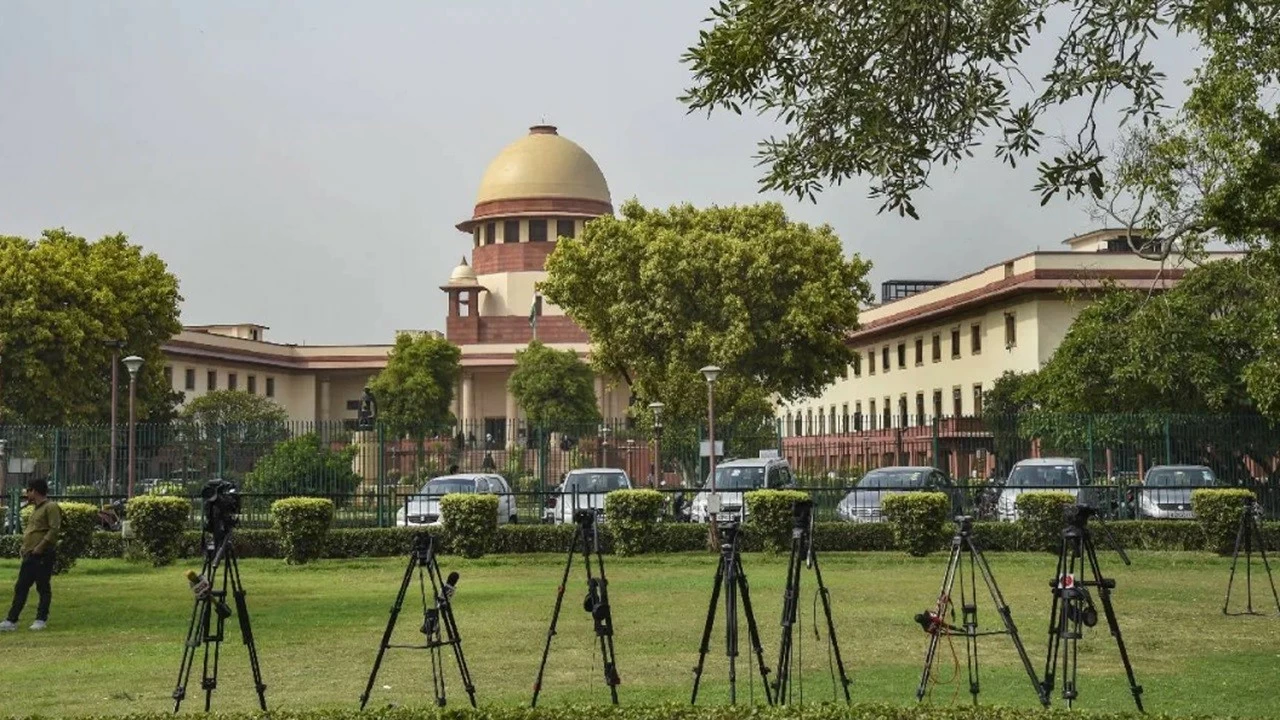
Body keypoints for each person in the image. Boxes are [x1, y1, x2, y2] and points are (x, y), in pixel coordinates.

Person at [1, 478, 62, 631]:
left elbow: (54, 530)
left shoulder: (50, 507)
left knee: (42, 587)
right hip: (30, 554)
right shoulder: (35, 509)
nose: (27, 495)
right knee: (21, 586)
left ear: (34, 491)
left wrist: (41, 547)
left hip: (42, 554)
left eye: (28, 491)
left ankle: (41, 619)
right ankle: (11, 620)